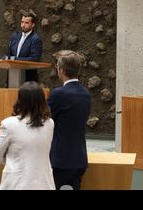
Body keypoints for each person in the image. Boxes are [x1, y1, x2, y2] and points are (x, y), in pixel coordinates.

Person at [0, 82, 55, 190]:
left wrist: (14, 160)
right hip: (44, 183)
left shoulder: (8, 124)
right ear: (42, 101)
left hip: (17, 183)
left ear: (20, 101)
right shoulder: (50, 123)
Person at [48, 50, 92, 190]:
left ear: (61, 70)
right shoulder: (86, 94)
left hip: (61, 159)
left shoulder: (58, 94)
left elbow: (43, 119)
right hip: (79, 157)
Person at [7, 13, 43, 82]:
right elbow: (9, 53)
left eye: (26, 23)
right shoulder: (15, 36)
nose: (23, 25)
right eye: (22, 22)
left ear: (33, 25)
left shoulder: (35, 39)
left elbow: (34, 59)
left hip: (28, 79)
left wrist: (15, 59)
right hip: (12, 75)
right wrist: (4, 58)